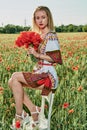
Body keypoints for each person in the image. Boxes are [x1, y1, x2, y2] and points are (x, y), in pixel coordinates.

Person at [8, 6, 63, 129]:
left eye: (43, 17)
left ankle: (20, 115)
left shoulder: (51, 36)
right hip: (41, 73)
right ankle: (34, 110)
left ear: (48, 18)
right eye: (37, 18)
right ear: (34, 20)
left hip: (49, 77)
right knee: (12, 81)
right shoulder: (40, 35)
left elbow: (56, 58)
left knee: (15, 77)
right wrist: (31, 52)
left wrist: (37, 54)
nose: (40, 20)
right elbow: (39, 57)